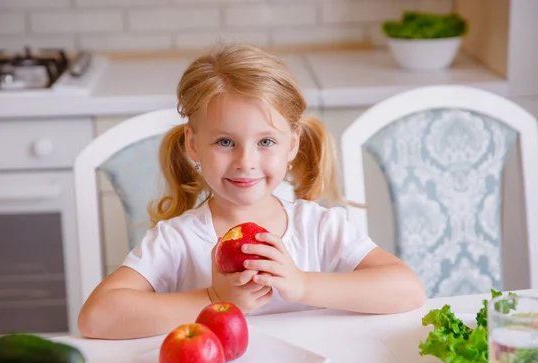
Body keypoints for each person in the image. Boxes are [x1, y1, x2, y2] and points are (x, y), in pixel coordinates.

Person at [78, 43, 426, 340]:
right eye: (225, 141)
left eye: (266, 142)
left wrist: (303, 285)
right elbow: (96, 318)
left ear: (292, 145)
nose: (246, 161)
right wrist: (213, 297)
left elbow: (407, 290)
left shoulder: (317, 227)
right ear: (194, 145)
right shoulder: (178, 240)